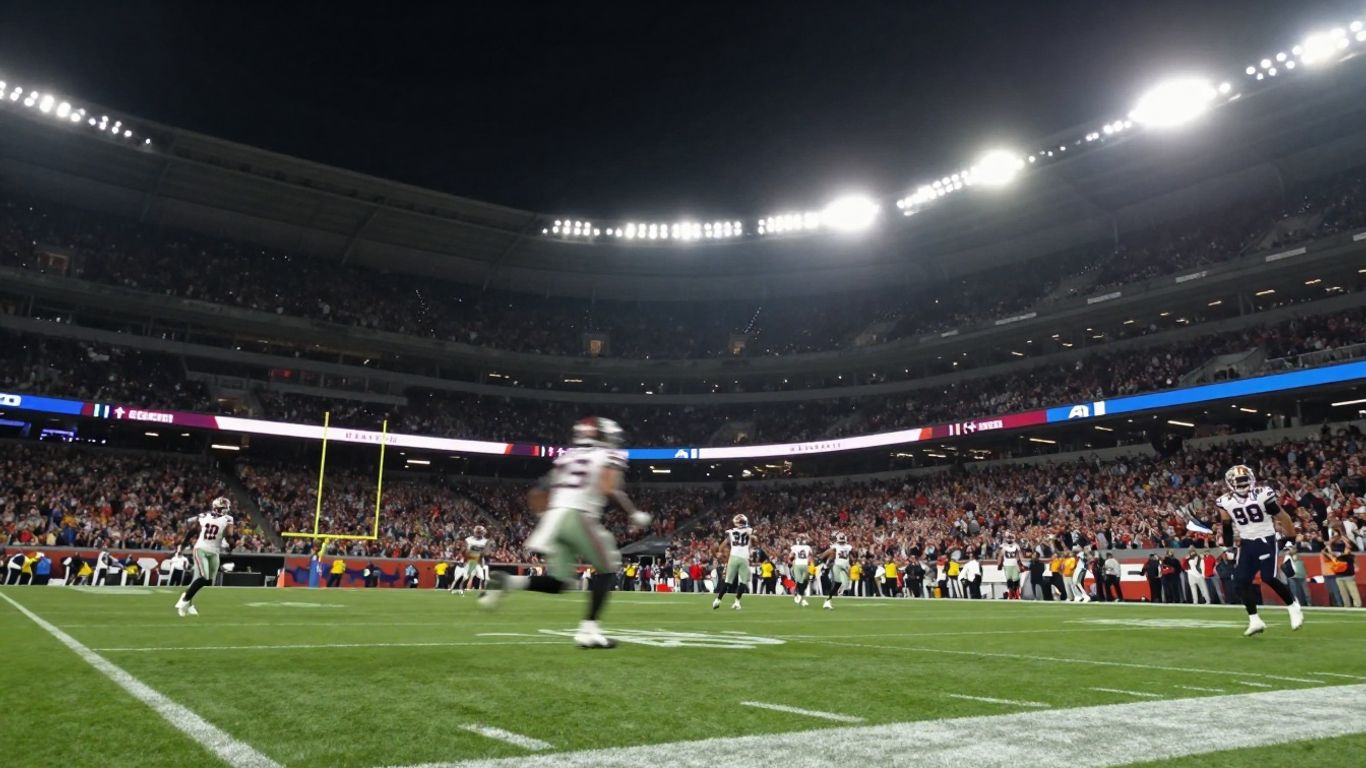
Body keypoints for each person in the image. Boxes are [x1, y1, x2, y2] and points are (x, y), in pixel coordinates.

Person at [479, 417, 648, 649]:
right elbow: (609, 488)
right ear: (603, 436)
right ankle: (589, 630)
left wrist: (548, 518)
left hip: (553, 520)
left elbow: (537, 494)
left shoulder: (566, 458)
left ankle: (509, 581)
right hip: (578, 516)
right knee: (609, 565)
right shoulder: (608, 456)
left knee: (560, 582)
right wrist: (633, 512)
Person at [1194, 465, 1305, 636]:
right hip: (1246, 543)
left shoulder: (1262, 494)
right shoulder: (1225, 501)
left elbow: (1282, 516)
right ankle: (1255, 620)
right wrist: (1227, 546)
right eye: (1238, 481)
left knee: (1268, 577)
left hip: (1266, 539)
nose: (1242, 483)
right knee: (1240, 581)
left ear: (1251, 479)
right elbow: (1226, 525)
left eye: (1244, 479)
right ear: (1230, 483)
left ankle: (1293, 606)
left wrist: (1290, 538)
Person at [174, 496, 235, 617]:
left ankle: (187, 600)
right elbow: (192, 531)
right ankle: (185, 599)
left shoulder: (224, 518)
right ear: (217, 508)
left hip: (214, 551)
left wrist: (230, 545)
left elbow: (228, 536)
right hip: (201, 549)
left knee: (208, 580)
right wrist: (183, 545)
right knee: (203, 576)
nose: (226, 510)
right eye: (224, 508)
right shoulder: (207, 517)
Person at [710, 514, 755, 611]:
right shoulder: (749, 531)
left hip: (733, 557)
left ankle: (718, 600)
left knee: (727, 581)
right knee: (743, 582)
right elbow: (754, 540)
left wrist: (719, 552)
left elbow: (723, 545)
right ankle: (737, 602)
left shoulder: (731, 532)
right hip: (744, 558)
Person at [814, 533, 853, 610]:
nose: (841, 542)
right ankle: (828, 600)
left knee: (844, 584)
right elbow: (828, 552)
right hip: (837, 566)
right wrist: (821, 557)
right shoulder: (835, 546)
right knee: (838, 583)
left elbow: (849, 556)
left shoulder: (848, 547)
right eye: (840, 540)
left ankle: (829, 599)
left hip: (845, 566)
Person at [453, 526, 490, 595]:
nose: (479, 533)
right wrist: (461, 555)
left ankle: (481, 590)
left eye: (480, 532)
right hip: (471, 560)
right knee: (467, 577)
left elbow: (485, 552)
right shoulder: (469, 539)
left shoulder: (484, 541)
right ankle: (461, 589)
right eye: (478, 532)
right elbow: (464, 548)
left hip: (478, 561)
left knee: (481, 576)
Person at [1329, 531, 1360, 608]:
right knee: (1343, 593)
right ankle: (1347, 606)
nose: (1336, 537)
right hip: (1338, 573)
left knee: (1353, 591)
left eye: (1337, 536)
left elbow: (1355, 549)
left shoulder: (1348, 547)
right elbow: (1329, 551)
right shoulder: (1333, 546)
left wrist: (1346, 541)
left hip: (1349, 573)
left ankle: (1358, 605)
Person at [788, 534, 812, 607]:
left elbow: (790, 557)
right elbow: (790, 557)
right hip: (800, 565)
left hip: (800, 565)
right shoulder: (807, 547)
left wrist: (791, 561)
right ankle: (799, 597)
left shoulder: (797, 547)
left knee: (803, 582)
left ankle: (799, 596)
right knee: (800, 582)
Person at [998, 533, 1022, 599]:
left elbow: (1000, 556)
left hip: (1010, 564)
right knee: (1012, 579)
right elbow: (1019, 556)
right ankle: (1012, 593)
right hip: (1011, 564)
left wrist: (999, 564)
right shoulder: (1013, 546)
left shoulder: (1005, 546)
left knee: (1013, 579)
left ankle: (1014, 592)